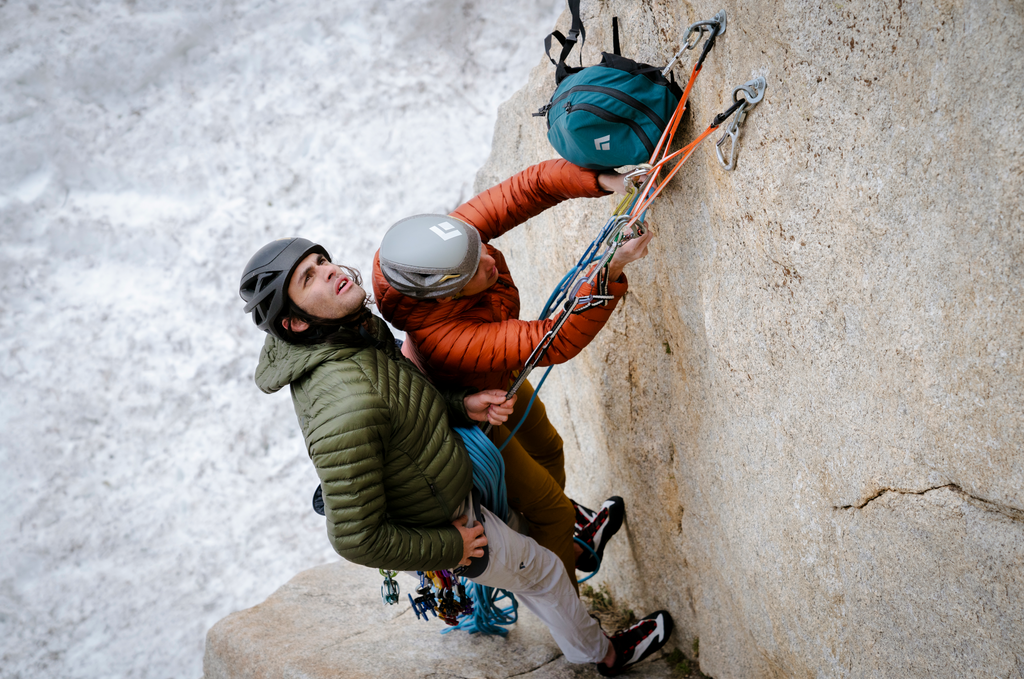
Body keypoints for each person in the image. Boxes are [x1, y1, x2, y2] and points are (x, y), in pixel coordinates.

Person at [239, 237, 672, 676]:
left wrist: (462, 405)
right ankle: (604, 655)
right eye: (309, 277)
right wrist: (451, 546)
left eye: (321, 260)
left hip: (441, 488)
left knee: (529, 543)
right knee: (543, 574)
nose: (330, 270)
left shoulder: (347, 333)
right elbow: (353, 537)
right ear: (295, 322)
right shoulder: (346, 403)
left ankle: (578, 550)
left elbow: (403, 397)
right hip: (446, 526)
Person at [373, 159, 654, 583]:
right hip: (471, 416)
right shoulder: (447, 339)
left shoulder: (439, 251)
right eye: (475, 268)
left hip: (494, 377)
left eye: (478, 245)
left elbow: (530, 187)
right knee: (552, 511)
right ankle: (565, 579)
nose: (488, 256)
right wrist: (610, 270)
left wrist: (604, 180)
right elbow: (553, 340)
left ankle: (561, 534)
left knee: (549, 448)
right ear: (446, 296)